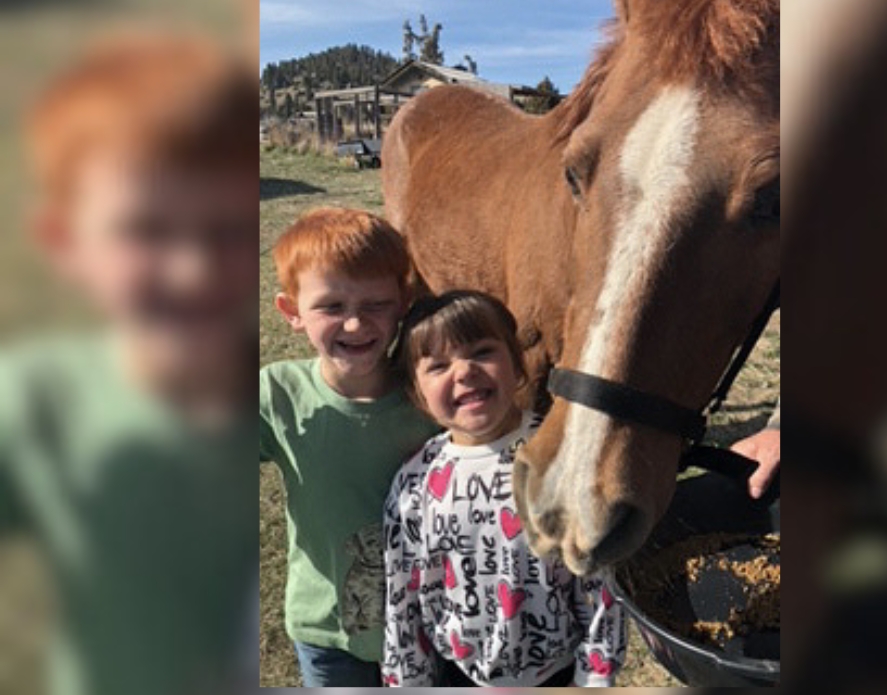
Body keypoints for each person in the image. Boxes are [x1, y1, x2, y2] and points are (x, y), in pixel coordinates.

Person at [0, 33, 257, 695]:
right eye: (146, 230)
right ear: (64, 242)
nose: (193, 269)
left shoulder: (279, 388)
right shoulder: (35, 399)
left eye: (228, 229)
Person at [382, 290, 627, 688]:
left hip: (558, 674)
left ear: (517, 365)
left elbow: (600, 580)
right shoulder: (415, 483)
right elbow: (402, 598)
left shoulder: (560, 458)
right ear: (417, 395)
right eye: (439, 365)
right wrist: (407, 682)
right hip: (458, 677)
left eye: (481, 351)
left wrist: (594, 676)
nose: (463, 372)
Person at [260, 207, 439, 686]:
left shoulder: (429, 396)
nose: (356, 325)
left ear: (403, 302)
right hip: (327, 630)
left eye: (376, 304)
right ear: (292, 312)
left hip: (429, 626)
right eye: (332, 307)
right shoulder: (277, 393)